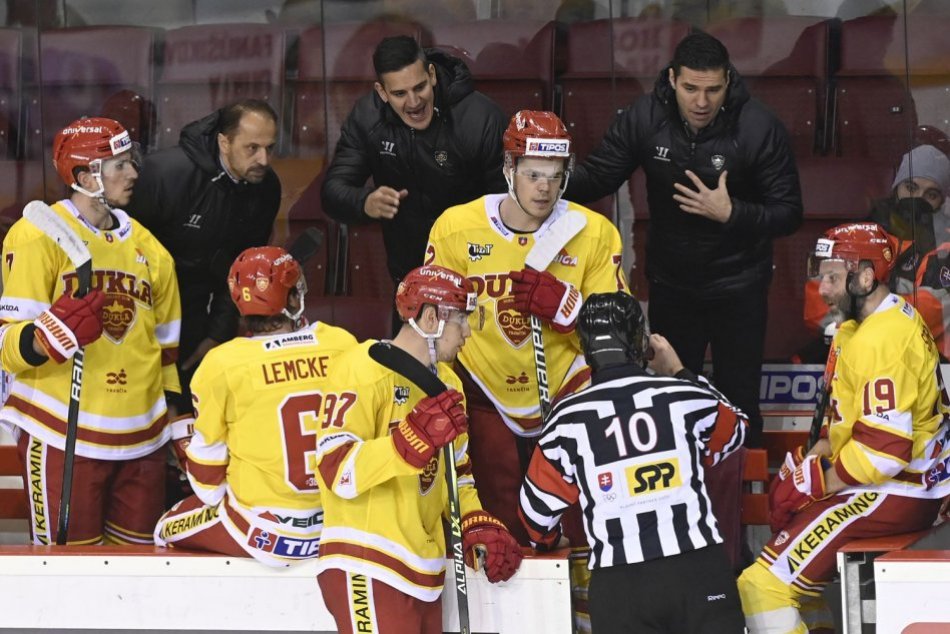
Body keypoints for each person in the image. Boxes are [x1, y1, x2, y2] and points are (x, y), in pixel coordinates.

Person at [426, 110, 627, 633]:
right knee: (496, 521)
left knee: (586, 512)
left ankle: (589, 620)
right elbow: (431, 317)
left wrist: (572, 310)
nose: (546, 188)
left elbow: (623, 333)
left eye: (556, 174)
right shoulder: (455, 227)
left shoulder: (591, 231)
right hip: (486, 386)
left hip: (566, 384)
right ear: (508, 167)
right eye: (533, 173)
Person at [564, 31, 803, 451]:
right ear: (672, 79)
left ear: (728, 81)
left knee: (740, 402)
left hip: (740, 287)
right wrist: (543, 177)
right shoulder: (644, 116)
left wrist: (732, 213)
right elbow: (598, 177)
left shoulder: (758, 126)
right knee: (672, 401)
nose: (701, 102)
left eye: (712, 89)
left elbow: (789, 212)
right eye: (691, 88)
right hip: (672, 285)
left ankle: (740, 510)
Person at [738, 223, 950, 633]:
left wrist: (819, 483)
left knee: (760, 585)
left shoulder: (881, 338)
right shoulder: (868, 324)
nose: (823, 287)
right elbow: (851, 421)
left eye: (833, 276)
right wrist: (813, 458)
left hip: (899, 488)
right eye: (822, 274)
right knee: (797, 581)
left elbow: (884, 451)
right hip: (906, 482)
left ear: (866, 277)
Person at [519, 292, 748, 633]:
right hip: (698, 570)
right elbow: (736, 431)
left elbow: (535, 512)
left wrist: (548, 541)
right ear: (641, 343)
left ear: (585, 349)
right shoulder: (683, 397)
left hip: (621, 585)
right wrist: (678, 370)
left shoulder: (566, 419)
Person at [0, 117, 181, 545]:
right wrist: (44, 337)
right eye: (118, 165)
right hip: (61, 432)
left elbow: (167, 352)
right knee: (67, 580)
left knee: (136, 581)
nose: (133, 173)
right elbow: (7, 345)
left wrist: (174, 424)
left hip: (143, 440)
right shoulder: (36, 236)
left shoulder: (152, 249)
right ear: (84, 176)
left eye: (130, 162)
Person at [315, 265, 522, 633]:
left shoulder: (449, 384)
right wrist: (405, 442)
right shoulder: (360, 369)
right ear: (432, 317)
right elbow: (336, 470)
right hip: (366, 560)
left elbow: (457, 474)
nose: (468, 333)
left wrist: (472, 521)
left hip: (423, 571)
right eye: (461, 320)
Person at [154, 246, 356, 566]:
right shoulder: (342, 344)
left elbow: (208, 490)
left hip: (269, 534)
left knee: (163, 529)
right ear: (291, 299)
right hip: (336, 526)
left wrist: (188, 450)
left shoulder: (221, 364)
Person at [321, 35, 507, 326]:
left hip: (477, 281)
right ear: (381, 92)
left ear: (431, 75)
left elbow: (509, 203)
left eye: (419, 87)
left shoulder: (480, 118)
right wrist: (364, 202)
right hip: (410, 285)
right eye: (399, 94)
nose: (414, 102)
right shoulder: (367, 118)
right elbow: (333, 191)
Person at [128, 99, 281, 417]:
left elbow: (243, 265)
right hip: (139, 312)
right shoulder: (165, 174)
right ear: (223, 142)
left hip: (197, 313)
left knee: (189, 414)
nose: (263, 159)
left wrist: (217, 333)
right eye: (251, 147)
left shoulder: (266, 188)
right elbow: (121, 251)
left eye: (270, 147)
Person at [801, 144, 950, 362]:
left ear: (941, 202)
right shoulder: (856, 234)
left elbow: (929, 315)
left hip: (916, 360)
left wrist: (853, 304)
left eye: (931, 194)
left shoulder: (945, 247)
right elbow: (818, 308)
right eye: (911, 187)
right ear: (896, 188)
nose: (918, 198)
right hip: (849, 352)